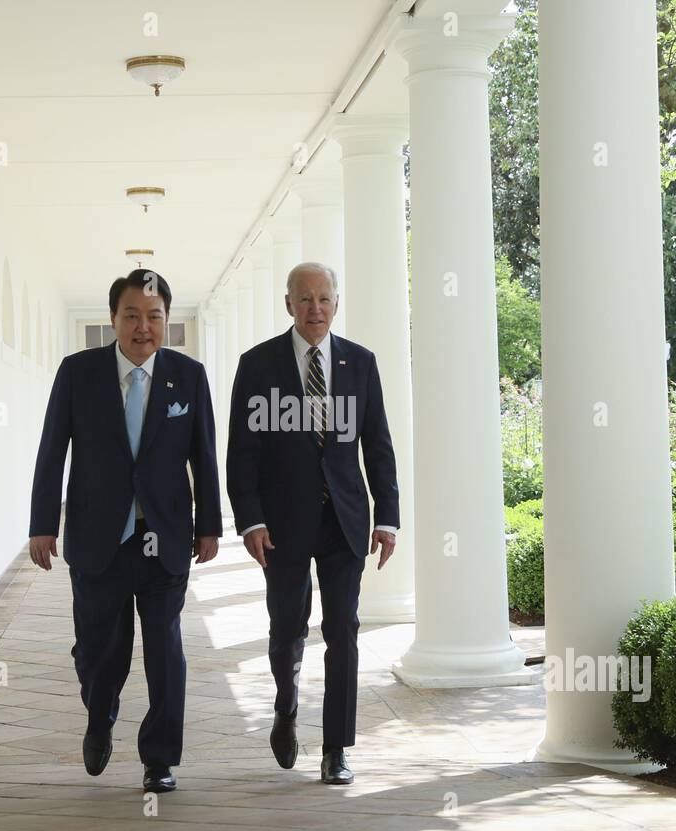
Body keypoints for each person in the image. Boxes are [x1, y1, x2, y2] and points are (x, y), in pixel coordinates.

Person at [28, 268, 220, 793]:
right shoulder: (77, 373)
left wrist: (209, 526)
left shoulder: (189, 376)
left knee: (165, 651)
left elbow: (204, 457)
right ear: (113, 319)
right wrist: (43, 524)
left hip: (165, 540)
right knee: (97, 652)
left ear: (166, 321)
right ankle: (100, 711)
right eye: (131, 315)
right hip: (98, 540)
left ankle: (160, 759)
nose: (143, 327)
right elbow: (52, 451)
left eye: (153, 317)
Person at [226, 261, 399, 784]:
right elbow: (242, 452)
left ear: (336, 303)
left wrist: (387, 518)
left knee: (343, 630)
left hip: (345, 520)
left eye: (324, 299)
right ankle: (286, 703)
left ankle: (336, 748)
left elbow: (379, 446)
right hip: (282, 524)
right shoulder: (257, 365)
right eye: (305, 299)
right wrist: (250, 519)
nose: (315, 309)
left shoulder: (360, 364)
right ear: (288, 304)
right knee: (287, 627)